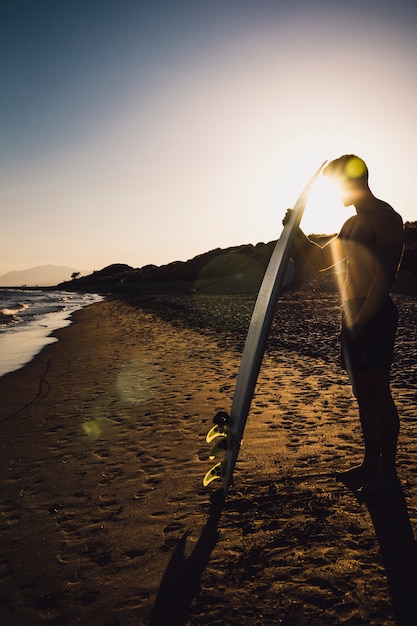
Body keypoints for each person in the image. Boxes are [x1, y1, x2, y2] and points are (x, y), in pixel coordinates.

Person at [285, 155, 404, 496]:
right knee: (361, 392)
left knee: (378, 391)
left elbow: (385, 276)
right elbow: (323, 260)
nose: (336, 193)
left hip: (375, 313)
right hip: (353, 313)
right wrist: (296, 233)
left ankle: (388, 473)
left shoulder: (385, 217)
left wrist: (362, 319)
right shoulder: (351, 224)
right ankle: (371, 463)